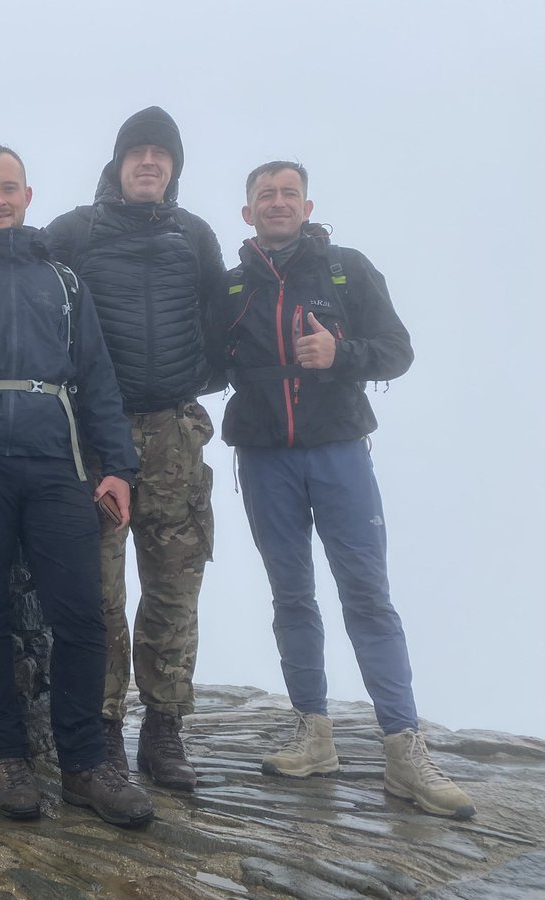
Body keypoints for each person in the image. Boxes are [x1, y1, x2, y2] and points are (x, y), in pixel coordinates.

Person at [206, 160, 476, 819]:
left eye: (287, 194)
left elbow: (397, 350)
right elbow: (203, 362)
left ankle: (403, 751)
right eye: (264, 196)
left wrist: (341, 353)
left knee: (368, 598)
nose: (276, 203)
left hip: (339, 452)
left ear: (306, 204)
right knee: (292, 597)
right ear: (247, 213)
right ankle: (313, 734)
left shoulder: (345, 269)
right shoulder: (231, 284)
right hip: (265, 458)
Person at [0, 144, 153, 827]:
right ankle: (6, 759)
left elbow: (98, 379)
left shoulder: (65, 283)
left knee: (80, 613)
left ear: (27, 194)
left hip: (57, 465)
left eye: (8, 187)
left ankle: (83, 767)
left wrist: (119, 468)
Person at [45, 107, 224, 791]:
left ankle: (164, 729)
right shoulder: (73, 233)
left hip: (175, 434)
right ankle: (100, 729)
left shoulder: (195, 236)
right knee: (96, 594)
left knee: (175, 588)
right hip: (95, 437)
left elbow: (222, 325)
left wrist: (185, 385)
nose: (149, 162)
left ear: (174, 167)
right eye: (137, 152)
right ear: (118, 163)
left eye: (161, 153)